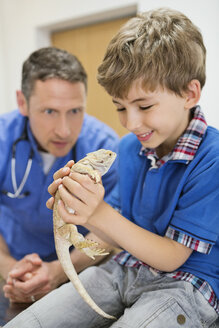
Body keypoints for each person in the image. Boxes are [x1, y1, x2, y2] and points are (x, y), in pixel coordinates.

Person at [4, 7, 219, 328]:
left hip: (184, 283)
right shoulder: (129, 148)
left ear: (190, 93)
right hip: (126, 268)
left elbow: (173, 257)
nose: (130, 123)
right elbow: (115, 236)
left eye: (144, 106)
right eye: (120, 107)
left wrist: (99, 212)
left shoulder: (211, 157)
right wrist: (77, 210)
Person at [0, 47, 119, 304]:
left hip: (80, 265)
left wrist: (60, 271)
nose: (64, 131)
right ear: (22, 102)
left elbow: (113, 229)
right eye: (50, 112)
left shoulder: (105, 149)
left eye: (75, 111)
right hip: (10, 263)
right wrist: (10, 269)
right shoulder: (2, 138)